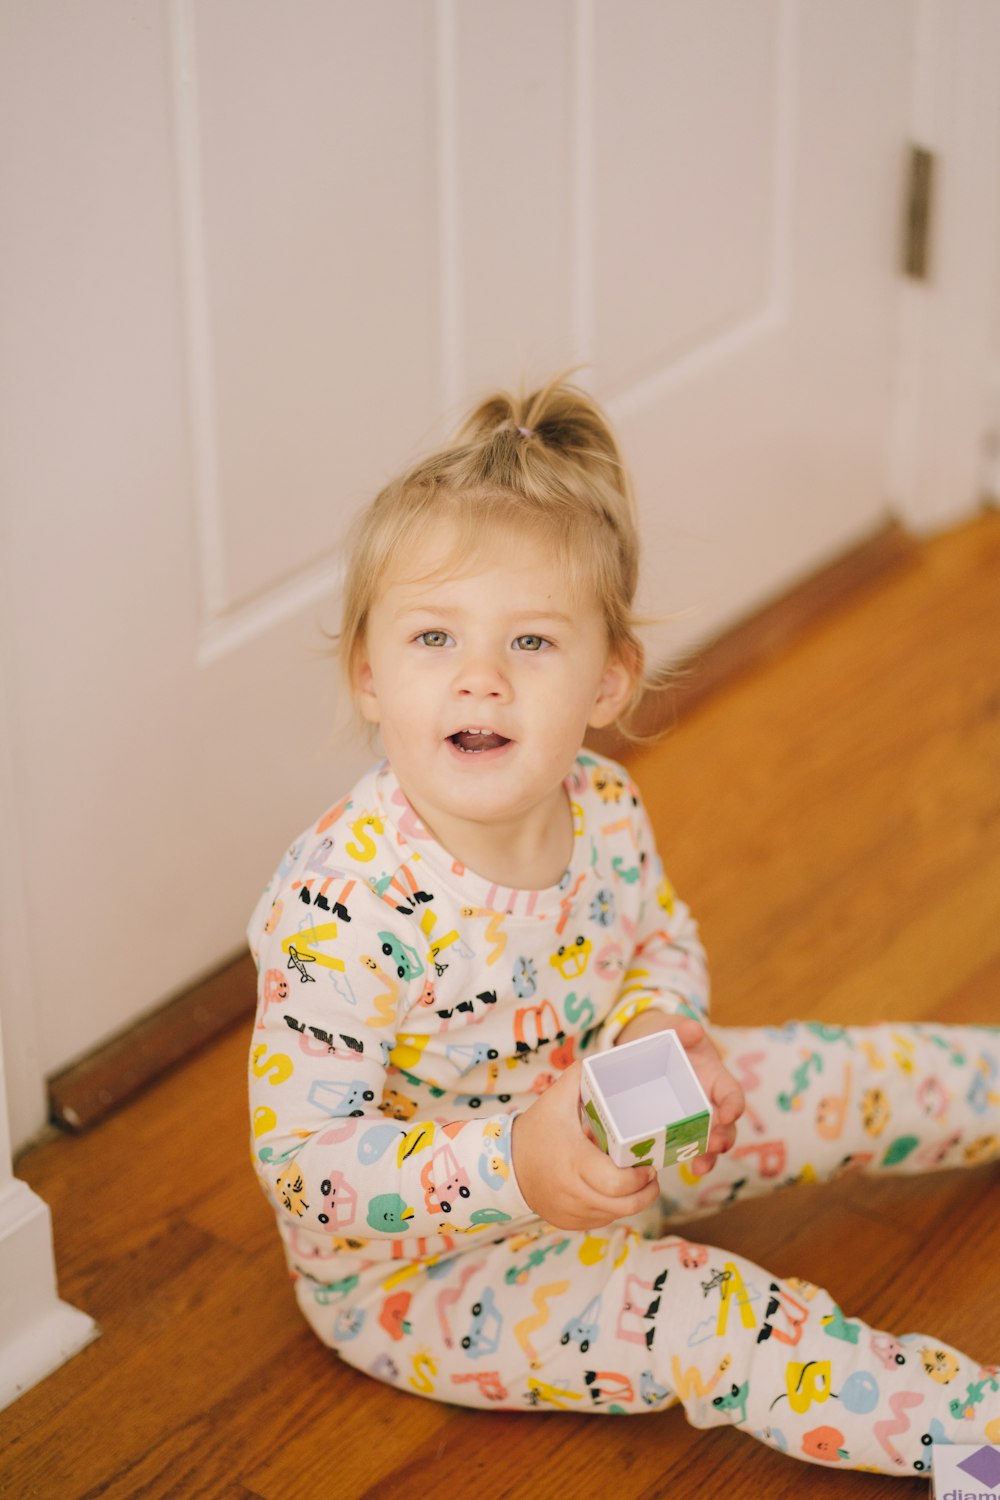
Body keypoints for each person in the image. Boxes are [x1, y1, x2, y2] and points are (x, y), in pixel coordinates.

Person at [248, 375, 999, 1474]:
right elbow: (305, 1165)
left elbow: (658, 936)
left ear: (609, 680)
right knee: (707, 1314)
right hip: (430, 1274)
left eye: (533, 645)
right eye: (432, 638)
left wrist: (658, 1025)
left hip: (618, 1119)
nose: (481, 680)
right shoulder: (340, 904)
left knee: (843, 1073)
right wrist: (516, 1162)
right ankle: (972, 1442)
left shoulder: (600, 804)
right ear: (368, 672)